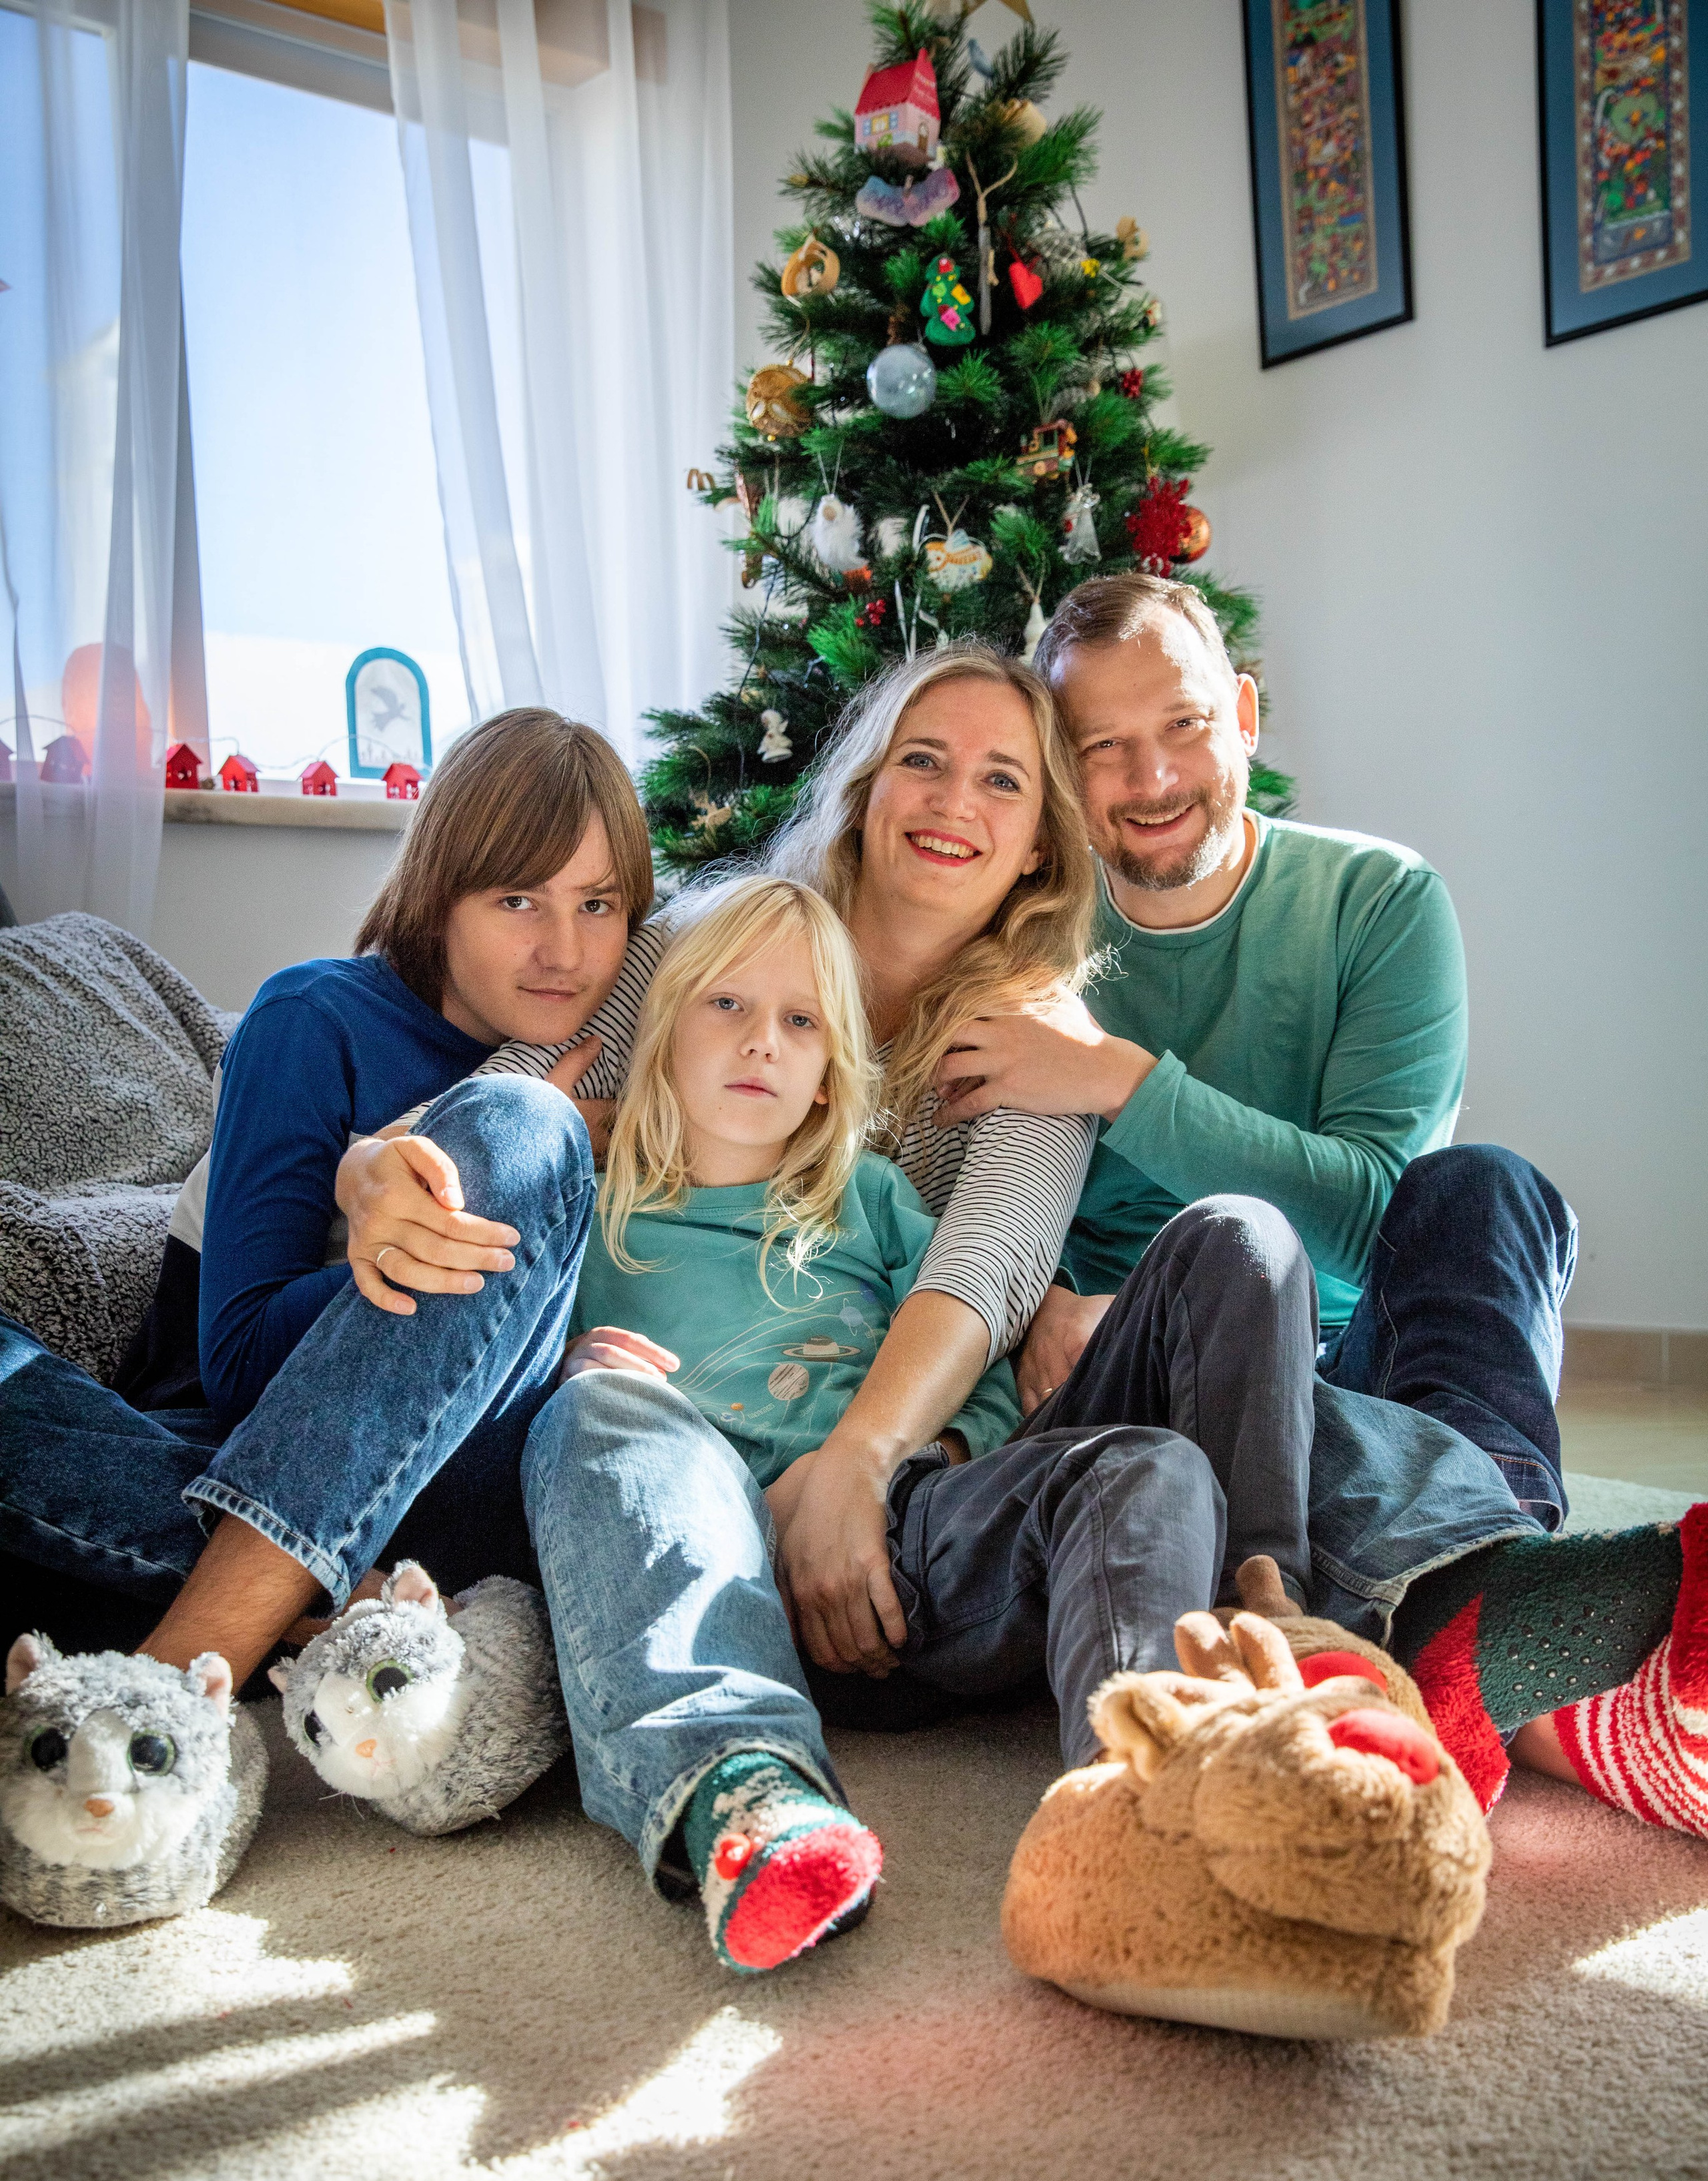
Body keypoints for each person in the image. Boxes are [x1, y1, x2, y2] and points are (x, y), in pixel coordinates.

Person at [338, 644, 1103, 1685]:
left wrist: (857, 1470)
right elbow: (497, 1112)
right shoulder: (712, 938)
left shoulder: (1039, 1036)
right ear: (866, 788)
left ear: (1041, 851)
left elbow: (987, 1268)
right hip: (643, 1430)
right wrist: (373, 1163)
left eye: (1002, 779)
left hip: (848, 1437)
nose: (953, 800)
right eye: (921, 758)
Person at [526, 873, 1235, 1974]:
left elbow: (981, 1377)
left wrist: (920, 1455)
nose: (762, 1042)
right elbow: (499, 1386)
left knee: (1150, 1465)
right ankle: (752, 1793)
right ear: (663, 1029)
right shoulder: (592, 1204)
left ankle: (1140, 1804)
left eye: (800, 1022)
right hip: (705, 1569)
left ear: (826, 1074)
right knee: (598, 1405)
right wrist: (569, 1365)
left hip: (902, 1555)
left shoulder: (871, 1197)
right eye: (727, 1005)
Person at [0, 708, 650, 1684]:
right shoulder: (316, 1020)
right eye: (519, 901)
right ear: (440, 895)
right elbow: (240, 1365)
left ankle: (216, 1643)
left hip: (462, 1480)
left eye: (599, 906)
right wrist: (399, 1235)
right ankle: (329, 1600)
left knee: (523, 1125)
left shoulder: (620, 1053)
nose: (566, 951)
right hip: (222, 1452)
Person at [928, 571, 1579, 1533]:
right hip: (1123, 1361)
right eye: (1103, 747)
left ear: (1243, 712)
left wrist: (1119, 1079)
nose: (1152, 780)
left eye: (1184, 725)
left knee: (1487, 1188)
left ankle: (1491, 1543)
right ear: (1063, 772)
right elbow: (946, 1190)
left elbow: (1374, 1221)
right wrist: (1058, 1305)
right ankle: (1419, 1537)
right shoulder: (1020, 937)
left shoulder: (1380, 901)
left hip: (1360, 1360)